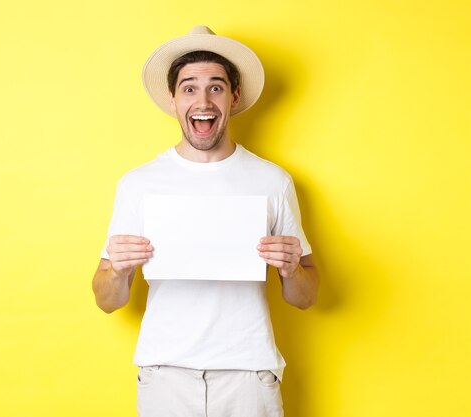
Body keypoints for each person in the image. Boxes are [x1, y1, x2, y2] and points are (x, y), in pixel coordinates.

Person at [92, 25, 319, 417]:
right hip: (165, 376)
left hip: (249, 375)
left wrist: (292, 269)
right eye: (189, 87)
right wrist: (117, 271)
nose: (203, 99)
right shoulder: (139, 183)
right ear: (173, 99)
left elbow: (306, 296)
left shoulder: (272, 180)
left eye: (215, 87)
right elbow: (107, 300)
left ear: (234, 96)